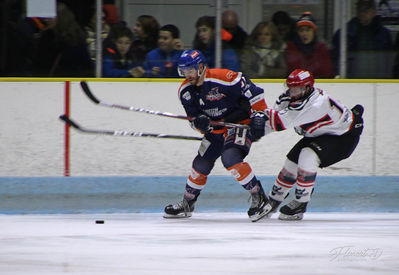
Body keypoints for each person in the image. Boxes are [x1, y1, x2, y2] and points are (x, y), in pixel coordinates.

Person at [163, 49, 273, 222]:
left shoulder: (223, 77)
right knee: (200, 162)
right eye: (183, 71)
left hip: (239, 124)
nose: (187, 75)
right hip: (216, 130)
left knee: (230, 158)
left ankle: (259, 198)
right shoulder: (185, 92)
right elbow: (193, 121)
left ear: (200, 66)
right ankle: (188, 202)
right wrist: (200, 124)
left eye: (190, 70)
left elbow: (254, 91)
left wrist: (259, 114)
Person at [249, 69, 364, 220]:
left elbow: (281, 122)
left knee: (308, 155)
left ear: (308, 88)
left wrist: (258, 123)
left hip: (344, 137)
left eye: (297, 88)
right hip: (321, 134)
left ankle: (301, 203)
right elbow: (273, 120)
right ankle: (274, 200)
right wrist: (255, 132)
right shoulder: (289, 97)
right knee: (291, 162)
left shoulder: (317, 104)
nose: (292, 92)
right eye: (290, 87)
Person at [331, 0, 393, 78]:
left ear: (374, 11)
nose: (363, 13)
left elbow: (389, 62)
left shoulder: (384, 34)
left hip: (379, 81)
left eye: (366, 9)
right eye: (360, 9)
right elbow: (336, 60)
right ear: (357, 11)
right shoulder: (344, 34)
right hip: (351, 82)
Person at [32, 2, 92, 77]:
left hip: (66, 80)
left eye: (50, 17)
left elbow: (85, 66)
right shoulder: (48, 36)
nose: (45, 20)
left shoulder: (74, 39)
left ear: (62, 17)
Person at [285, 11, 334, 78]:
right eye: (301, 30)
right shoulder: (291, 47)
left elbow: (326, 71)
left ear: (314, 32)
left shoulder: (321, 48)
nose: (304, 33)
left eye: (308, 30)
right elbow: (292, 70)